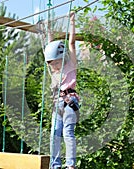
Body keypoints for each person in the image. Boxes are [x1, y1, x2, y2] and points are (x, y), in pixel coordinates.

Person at [44, 12, 79, 169]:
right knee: (54, 135)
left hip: (70, 101)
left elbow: (71, 43)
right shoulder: (53, 70)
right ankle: (55, 164)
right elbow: (49, 45)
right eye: (52, 64)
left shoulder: (70, 65)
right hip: (57, 103)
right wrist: (48, 28)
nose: (54, 66)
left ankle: (70, 165)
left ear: (63, 58)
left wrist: (72, 21)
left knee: (67, 133)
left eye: (56, 63)